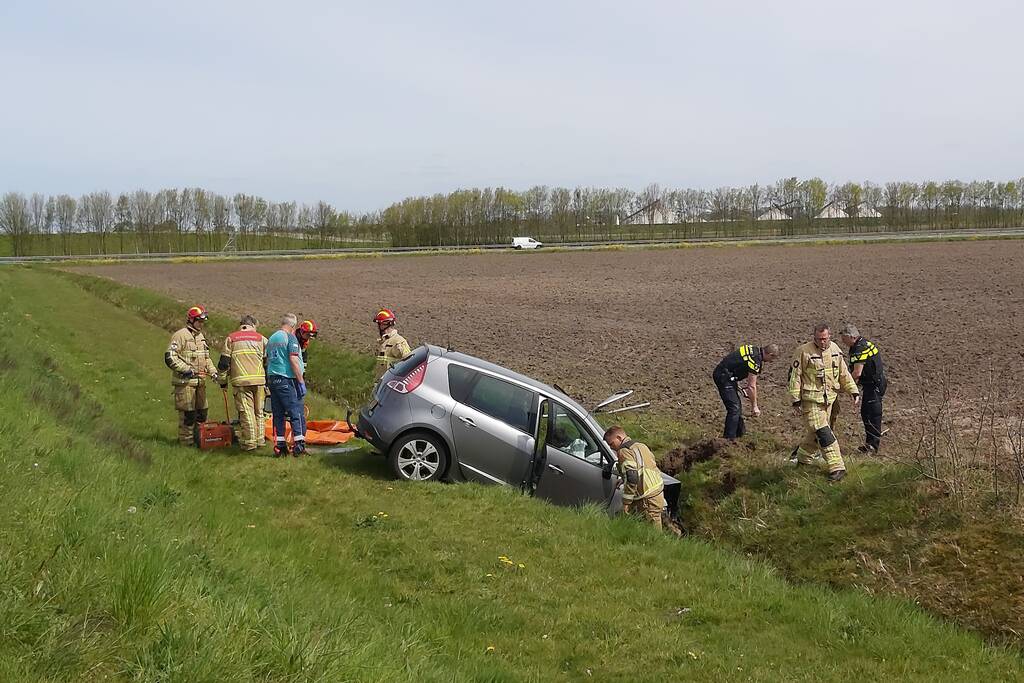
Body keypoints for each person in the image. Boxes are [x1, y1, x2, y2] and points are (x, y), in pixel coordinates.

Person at [788, 323, 860, 481]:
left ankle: (803, 460)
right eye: (819, 339)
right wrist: (795, 400)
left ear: (830, 337)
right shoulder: (803, 352)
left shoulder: (835, 350)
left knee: (815, 433)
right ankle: (837, 467)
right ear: (814, 337)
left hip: (830, 400)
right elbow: (795, 377)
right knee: (823, 432)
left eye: (825, 339)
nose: (822, 342)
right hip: (811, 400)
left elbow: (843, 373)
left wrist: (853, 391)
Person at [164, 305, 219, 446]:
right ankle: (186, 443)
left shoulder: (200, 337)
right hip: (185, 383)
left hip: (200, 383)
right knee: (188, 415)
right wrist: (185, 369)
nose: (201, 324)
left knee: (202, 413)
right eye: (199, 321)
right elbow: (170, 357)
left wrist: (213, 372)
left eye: (203, 322)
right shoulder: (180, 335)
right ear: (191, 320)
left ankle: (199, 440)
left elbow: (206, 358)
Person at [217, 315, 268, 452]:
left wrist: (222, 381)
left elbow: (223, 363)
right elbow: (268, 361)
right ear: (253, 325)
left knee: (247, 412)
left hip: (241, 381)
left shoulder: (231, 339)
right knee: (259, 411)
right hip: (259, 380)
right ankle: (260, 440)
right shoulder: (261, 339)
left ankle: (250, 443)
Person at [602, 426, 667, 529]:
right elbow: (643, 466)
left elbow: (632, 477)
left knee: (652, 533)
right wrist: (624, 480)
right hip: (657, 492)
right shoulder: (640, 445)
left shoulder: (623, 451)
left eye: (611, 444)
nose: (611, 448)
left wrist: (626, 503)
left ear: (619, 438)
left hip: (646, 498)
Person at [712, 343, 780, 439]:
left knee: (737, 406)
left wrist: (736, 385)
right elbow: (752, 386)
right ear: (770, 354)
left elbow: (735, 362)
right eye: (772, 359)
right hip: (723, 377)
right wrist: (754, 407)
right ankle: (727, 440)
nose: (770, 362)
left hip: (727, 375)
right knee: (734, 408)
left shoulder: (753, 349)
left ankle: (740, 435)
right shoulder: (755, 360)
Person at [839, 324, 888, 453]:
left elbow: (857, 373)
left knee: (872, 415)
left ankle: (872, 446)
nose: (842, 341)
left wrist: (846, 387)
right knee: (866, 413)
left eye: (844, 338)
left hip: (873, 385)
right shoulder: (864, 343)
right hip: (874, 383)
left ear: (851, 337)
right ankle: (869, 444)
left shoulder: (858, 349)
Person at [266, 313, 307, 457]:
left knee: (278, 414)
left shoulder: (272, 338)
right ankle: (299, 444)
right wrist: (301, 382)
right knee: (295, 411)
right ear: (293, 326)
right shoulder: (290, 337)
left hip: (272, 379)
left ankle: (281, 445)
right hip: (285, 379)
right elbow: (293, 360)